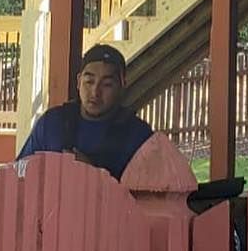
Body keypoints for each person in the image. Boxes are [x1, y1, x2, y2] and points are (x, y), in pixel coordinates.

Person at [16, 43, 154, 181]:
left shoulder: (138, 135)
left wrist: (94, 175)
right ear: (78, 81)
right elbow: (18, 174)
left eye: (107, 85)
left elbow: (146, 196)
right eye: (89, 81)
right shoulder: (52, 123)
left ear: (122, 86)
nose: (95, 92)